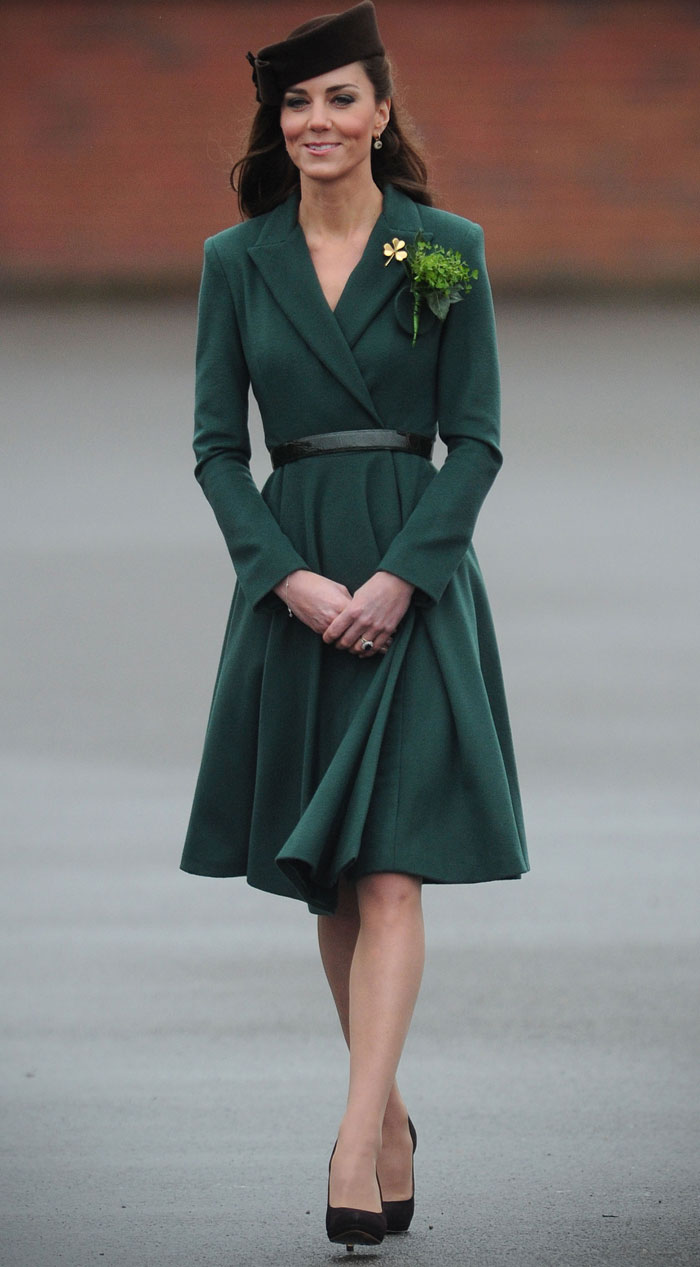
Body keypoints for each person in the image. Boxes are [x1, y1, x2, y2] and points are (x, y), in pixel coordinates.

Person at [180, 0, 528, 1249]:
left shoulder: (447, 248)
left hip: (411, 579)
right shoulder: (236, 260)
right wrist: (287, 577)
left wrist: (401, 577)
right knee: (330, 877)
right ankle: (388, 1121)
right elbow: (220, 450)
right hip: (295, 582)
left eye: (339, 99)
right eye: (296, 103)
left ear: (382, 112)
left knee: (391, 868)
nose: (316, 122)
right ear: (279, 124)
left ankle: (347, 1133)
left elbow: (477, 435)